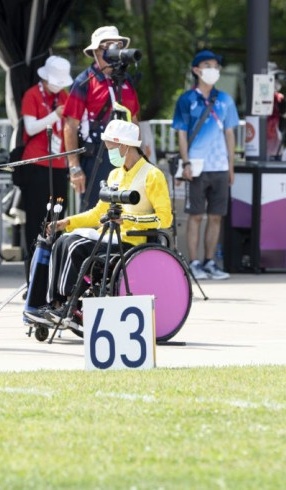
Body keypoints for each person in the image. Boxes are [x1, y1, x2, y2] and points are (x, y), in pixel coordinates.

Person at [24, 119, 171, 326]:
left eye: (111, 146)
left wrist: (129, 218)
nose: (108, 151)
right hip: (109, 236)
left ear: (124, 146)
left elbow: (165, 218)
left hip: (131, 242)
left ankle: (70, 307)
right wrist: (67, 222)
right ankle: (55, 305)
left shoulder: (152, 175)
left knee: (74, 246)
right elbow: (97, 213)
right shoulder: (115, 175)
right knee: (63, 240)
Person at [171, 50, 239, 281]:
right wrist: (186, 162)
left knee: (216, 216)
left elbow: (230, 134)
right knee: (196, 216)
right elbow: (181, 133)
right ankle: (194, 262)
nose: (214, 70)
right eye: (208, 65)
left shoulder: (225, 100)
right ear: (196, 70)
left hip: (220, 166)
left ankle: (210, 262)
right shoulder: (186, 99)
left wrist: (231, 165)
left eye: (216, 66)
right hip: (196, 166)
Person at [62, 25, 143, 210]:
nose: (113, 48)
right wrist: (74, 167)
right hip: (96, 156)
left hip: (126, 154)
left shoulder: (127, 80)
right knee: (95, 212)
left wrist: (138, 158)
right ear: (96, 52)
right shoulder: (83, 82)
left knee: (126, 211)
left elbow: (134, 119)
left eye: (117, 44)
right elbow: (70, 126)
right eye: (106, 45)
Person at [18, 55, 73, 273]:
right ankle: (32, 271)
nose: (58, 88)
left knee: (58, 217)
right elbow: (30, 128)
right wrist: (54, 115)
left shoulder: (64, 95)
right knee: (36, 221)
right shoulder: (32, 94)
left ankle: (54, 271)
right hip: (36, 164)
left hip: (59, 164)